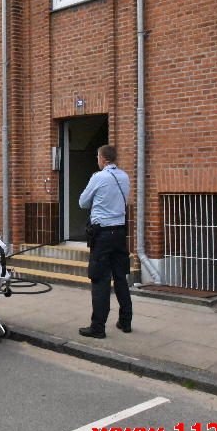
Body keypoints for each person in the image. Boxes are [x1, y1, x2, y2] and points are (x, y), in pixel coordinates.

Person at [78, 145, 132, 339]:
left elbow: (82, 202)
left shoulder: (98, 177)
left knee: (100, 280)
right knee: (120, 277)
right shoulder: (125, 177)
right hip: (120, 233)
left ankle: (98, 327)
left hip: (102, 235)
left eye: (97, 157)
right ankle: (126, 321)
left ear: (102, 158)